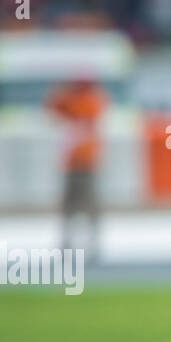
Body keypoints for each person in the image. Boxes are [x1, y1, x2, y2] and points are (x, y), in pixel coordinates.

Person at [47, 76, 107, 260]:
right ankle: (68, 241)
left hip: (86, 160)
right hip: (73, 161)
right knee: (70, 203)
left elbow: (88, 111)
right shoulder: (69, 102)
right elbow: (52, 107)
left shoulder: (90, 102)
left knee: (88, 202)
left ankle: (92, 242)